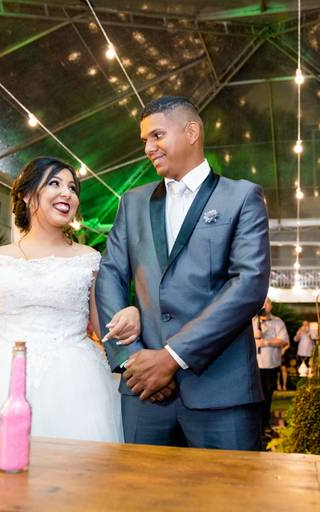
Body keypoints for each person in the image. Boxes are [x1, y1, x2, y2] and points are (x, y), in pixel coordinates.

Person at [95, 96, 270, 450]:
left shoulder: (241, 197)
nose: (148, 148)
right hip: (144, 392)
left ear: (191, 132)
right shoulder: (133, 202)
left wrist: (172, 357)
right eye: (144, 140)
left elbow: (248, 285)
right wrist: (134, 361)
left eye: (156, 135)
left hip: (221, 393)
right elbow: (110, 275)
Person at [0, 157, 136, 442]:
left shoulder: (89, 260)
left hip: (76, 384)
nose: (67, 193)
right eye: (55, 183)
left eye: (73, 188)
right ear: (28, 196)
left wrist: (131, 316)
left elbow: (108, 329)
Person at [252, 298, 289, 435]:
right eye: (261, 303)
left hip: (271, 365)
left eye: (266, 303)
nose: (264, 305)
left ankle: (265, 423)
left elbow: (284, 340)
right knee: (255, 396)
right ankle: (255, 425)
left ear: (271, 306)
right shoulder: (252, 321)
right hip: (255, 364)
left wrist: (265, 342)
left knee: (267, 396)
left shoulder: (278, 322)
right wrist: (253, 336)